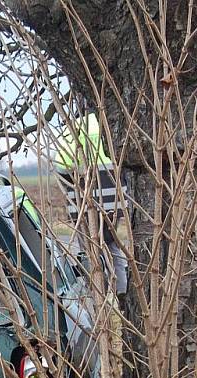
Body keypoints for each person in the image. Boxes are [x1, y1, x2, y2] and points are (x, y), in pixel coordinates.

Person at [55, 112, 129, 299]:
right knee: (114, 247)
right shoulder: (111, 121)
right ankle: (122, 290)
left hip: (84, 203)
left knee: (89, 250)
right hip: (114, 201)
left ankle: (97, 295)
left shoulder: (74, 129)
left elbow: (61, 165)